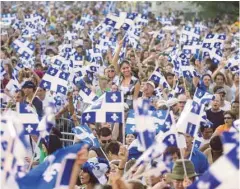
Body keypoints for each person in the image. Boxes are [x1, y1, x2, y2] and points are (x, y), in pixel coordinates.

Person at [112, 40, 141, 109]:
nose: (126, 70)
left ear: (130, 68)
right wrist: (119, 47)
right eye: (123, 68)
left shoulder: (136, 81)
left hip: (129, 109)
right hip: (117, 107)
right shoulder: (120, 77)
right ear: (121, 70)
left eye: (127, 67)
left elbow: (135, 99)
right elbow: (114, 62)